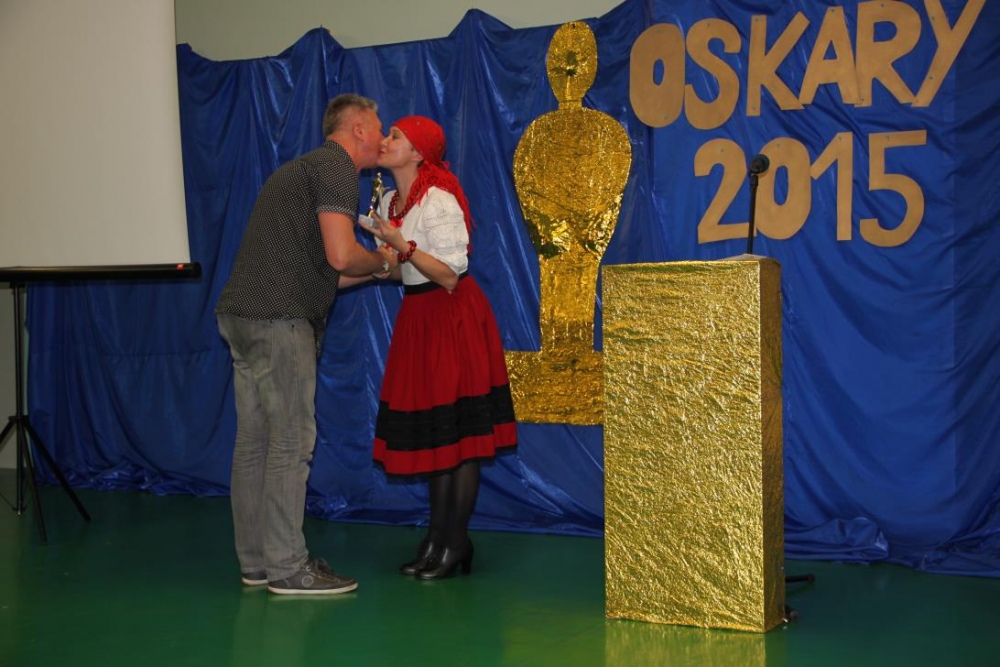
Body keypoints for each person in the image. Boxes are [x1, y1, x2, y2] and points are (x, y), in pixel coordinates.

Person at [215, 93, 395, 595]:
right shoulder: (336, 167)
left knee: (254, 442)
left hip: (241, 315)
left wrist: (375, 269)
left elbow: (326, 273)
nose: (383, 137)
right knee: (291, 442)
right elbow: (342, 256)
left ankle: (257, 563)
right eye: (378, 126)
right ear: (357, 129)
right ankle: (288, 567)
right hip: (279, 320)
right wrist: (384, 261)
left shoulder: (299, 170)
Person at [364, 116, 517, 580]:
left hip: (453, 316)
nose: (385, 141)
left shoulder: (438, 199)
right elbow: (402, 271)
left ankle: (456, 541)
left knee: (460, 435)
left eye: (396, 136)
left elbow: (450, 274)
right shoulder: (390, 201)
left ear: (417, 152)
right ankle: (436, 539)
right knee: (436, 431)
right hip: (419, 316)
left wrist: (401, 245)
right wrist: (382, 261)